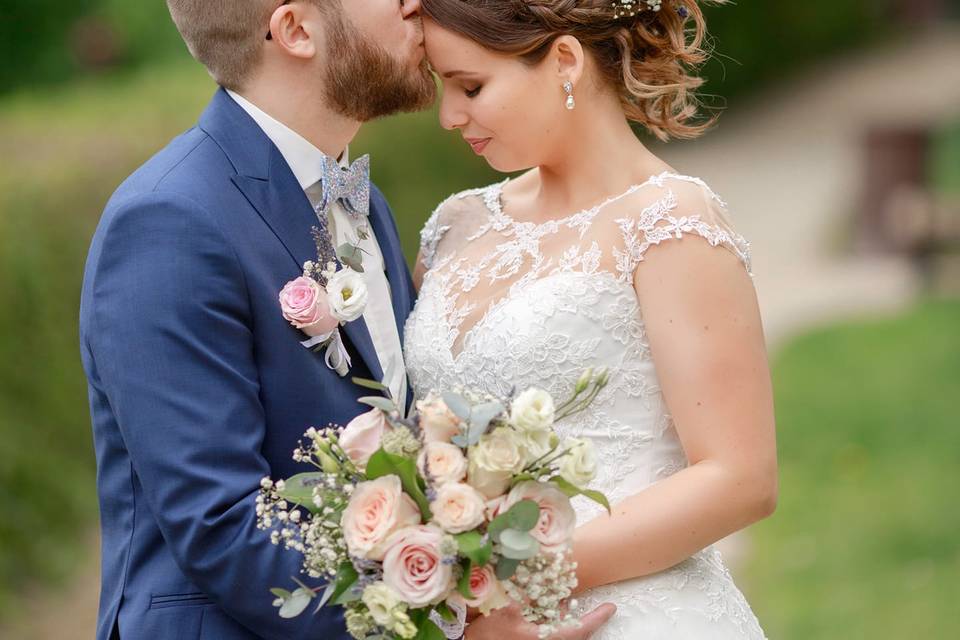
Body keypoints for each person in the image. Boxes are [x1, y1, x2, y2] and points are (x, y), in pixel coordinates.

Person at [406, 0, 778, 638]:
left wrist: (508, 583)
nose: (449, 116)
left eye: (470, 86)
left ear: (566, 62)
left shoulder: (669, 223)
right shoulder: (454, 224)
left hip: (635, 613)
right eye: (443, 89)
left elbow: (739, 477)